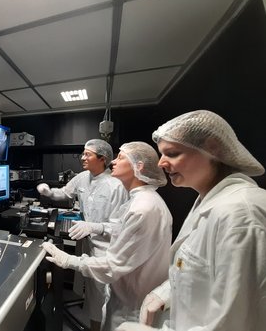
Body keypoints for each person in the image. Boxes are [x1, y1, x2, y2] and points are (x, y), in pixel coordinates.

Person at [117, 110, 266, 331]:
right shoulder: (208, 201)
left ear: (213, 148)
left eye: (173, 153)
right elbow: (203, 273)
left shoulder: (241, 214)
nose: (161, 164)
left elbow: (239, 322)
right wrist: (165, 292)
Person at [42, 141, 173, 331]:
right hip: (115, 276)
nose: (114, 162)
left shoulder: (137, 203)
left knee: (100, 300)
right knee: (96, 301)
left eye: (120, 157)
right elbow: (121, 228)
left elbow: (113, 264)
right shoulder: (139, 200)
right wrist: (49, 192)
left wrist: (69, 259)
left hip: (129, 297)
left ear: (139, 166)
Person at [37, 139, 128, 331]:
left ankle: (99, 327)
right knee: (90, 290)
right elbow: (65, 193)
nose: (82, 157)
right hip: (86, 242)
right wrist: (49, 192)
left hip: (106, 247)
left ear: (102, 159)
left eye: (88, 154)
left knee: (102, 296)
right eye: (83, 153)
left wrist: (95, 227)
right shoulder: (82, 177)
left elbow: (120, 226)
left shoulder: (116, 186)